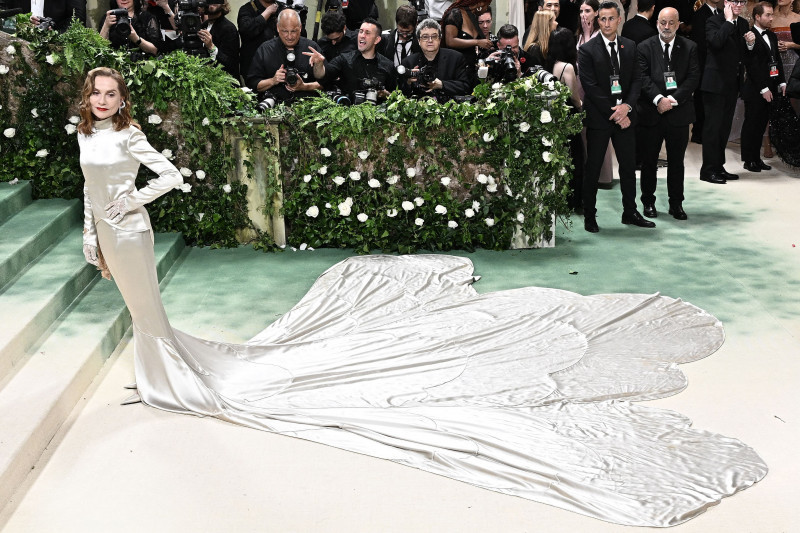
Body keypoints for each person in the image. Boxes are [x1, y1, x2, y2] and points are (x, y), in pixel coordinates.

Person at [74, 70, 767, 530]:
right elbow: (85, 189)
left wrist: (129, 202)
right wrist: (89, 235)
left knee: (150, 309)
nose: (103, 101)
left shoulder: (131, 135)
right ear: (89, 98)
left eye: (110, 93)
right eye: (96, 93)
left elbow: (171, 176)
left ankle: (172, 378)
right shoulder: (84, 133)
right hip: (106, 232)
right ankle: (163, 374)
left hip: (132, 228)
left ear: (121, 99)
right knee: (140, 312)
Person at [578, 1, 652, 232]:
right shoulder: (587, 49)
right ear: (597, 21)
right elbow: (590, 87)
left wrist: (627, 107)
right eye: (603, 19)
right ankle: (590, 215)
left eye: (611, 18)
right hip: (601, 119)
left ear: (619, 20)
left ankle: (630, 212)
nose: (607, 23)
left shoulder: (631, 46)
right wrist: (616, 113)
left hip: (626, 117)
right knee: (594, 168)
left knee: (628, 168)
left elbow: (637, 80)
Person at [637, 7, 700, 220]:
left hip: (679, 113)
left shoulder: (690, 47)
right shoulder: (644, 47)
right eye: (663, 22)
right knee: (649, 161)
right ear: (657, 23)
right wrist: (659, 99)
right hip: (651, 112)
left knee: (676, 162)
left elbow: (693, 78)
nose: (666, 27)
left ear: (678, 24)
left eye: (671, 23)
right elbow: (642, 77)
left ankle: (676, 204)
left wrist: (672, 100)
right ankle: (648, 202)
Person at [699, 0, 750, 184]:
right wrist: (728, 22)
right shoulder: (714, 21)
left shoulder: (743, 23)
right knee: (713, 128)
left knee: (724, 129)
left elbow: (742, 55)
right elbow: (716, 43)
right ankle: (708, 170)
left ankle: (718, 166)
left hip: (732, 84)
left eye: (742, 1)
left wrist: (750, 44)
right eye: (734, 1)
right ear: (726, 2)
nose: (738, 4)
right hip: (714, 84)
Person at [741, 2, 787, 172]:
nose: (771, 18)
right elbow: (752, 66)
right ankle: (748, 160)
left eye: (772, 15)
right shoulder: (749, 36)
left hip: (772, 86)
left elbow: (777, 61)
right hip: (755, 90)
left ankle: (756, 159)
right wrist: (763, 89)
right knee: (751, 125)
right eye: (768, 15)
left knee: (761, 125)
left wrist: (782, 82)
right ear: (757, 17)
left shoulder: (772, 36)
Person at [305, 18, 397, 101]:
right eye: (361, 31)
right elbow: (322, 76)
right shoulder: (344, 59)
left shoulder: (388, 65)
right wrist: (318, 64)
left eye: (367, 33)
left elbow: (395, 96)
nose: (362, 35)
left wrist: (386, 95)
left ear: (377, 40)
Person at [246, 10, 324, 103]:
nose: (290, 36)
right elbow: (252, 84)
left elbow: (326, 84)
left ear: (300, 28)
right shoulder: (265, 49)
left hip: (307, 107)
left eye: (294, 31)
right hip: (273, 109)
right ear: (278, 28)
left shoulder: (312, 48)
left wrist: (304, 86)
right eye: (285, 31)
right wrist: (272, 81)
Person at [547, 27, 584, 210]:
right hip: (568, 115)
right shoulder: (567, 67)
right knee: (575, 158)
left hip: (554, 117)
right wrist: (581, 106)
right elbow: (573, 95)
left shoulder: (550, 63)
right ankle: (574, 200)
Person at [399, 18, 472, 99]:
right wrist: (408, 83)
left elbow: (465, 87)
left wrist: (442, 85)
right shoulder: (409, 62)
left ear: (440, 39)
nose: (430, 40)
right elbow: (400, 93)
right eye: (425, 37)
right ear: (419, 41)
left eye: (434, 36)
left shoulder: (455, 58)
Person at [689, 0, 722, 144]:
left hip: (720, 65)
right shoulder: (699, 14)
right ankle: (698, 133)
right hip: (704, 64)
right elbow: (700, 43)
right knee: (701, 99)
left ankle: (711, 132)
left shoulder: (722, 14)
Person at [442, 0, 494, 80]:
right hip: (456, 69)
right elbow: (450, 41)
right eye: (487, 5)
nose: (486, 8)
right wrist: (477, 42)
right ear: (480, 3)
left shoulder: (473, 16)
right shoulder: (456, 13)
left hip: (470, 68)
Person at [197, 0, 240, 79]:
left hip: (224, 82)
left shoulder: (229, 28)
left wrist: (211, 47)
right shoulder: (204, 25)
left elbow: (230, 63)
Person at [237, 0, 280, 80]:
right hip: (253, 69)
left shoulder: (281, 8)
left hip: (278, 68)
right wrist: (267, 12)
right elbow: (246, 31)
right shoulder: (247, 9)